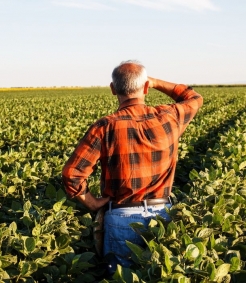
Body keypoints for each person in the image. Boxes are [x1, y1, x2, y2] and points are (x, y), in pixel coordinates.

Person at [62, 60, 203, 272]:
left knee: (122, 277)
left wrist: (91, 203)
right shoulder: (169, 117)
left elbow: (72, 174)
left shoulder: (105, 126)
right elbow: (194, 98)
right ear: (146, 87)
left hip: (120, 217)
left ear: (113, 89)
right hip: (162, 216)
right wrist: (155, 82)